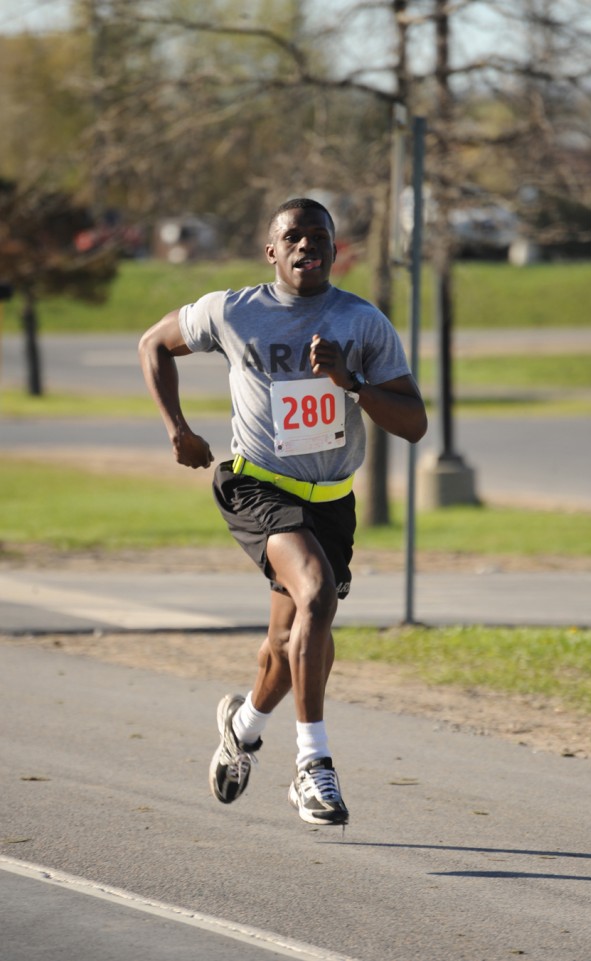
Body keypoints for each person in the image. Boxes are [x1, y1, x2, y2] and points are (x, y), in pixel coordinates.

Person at [139, 197, 428, 826]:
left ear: (333, 248)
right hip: (258, 486)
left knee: (289, 643)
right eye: (292, 237)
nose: (306, 247)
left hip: (331, 501)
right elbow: (153, 345)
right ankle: (313, 767)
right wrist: (178, 431)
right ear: (272, 250)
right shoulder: (232, 311)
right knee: (317, 596)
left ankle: (242, 728)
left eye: (318, 236)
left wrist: (351, 383)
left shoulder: (362, 322)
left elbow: (414, 423)